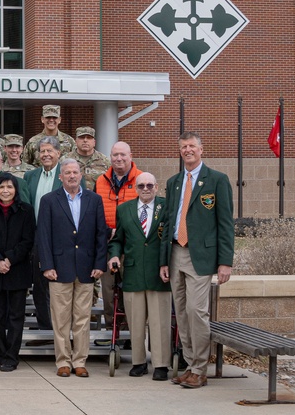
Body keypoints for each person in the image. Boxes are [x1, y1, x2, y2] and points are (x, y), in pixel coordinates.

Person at [160, 132, 235, 389]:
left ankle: (200, 369)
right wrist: (163, 261)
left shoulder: (217, 180)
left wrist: (226, 262)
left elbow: (225, 224)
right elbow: (169, 221)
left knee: (196, 311)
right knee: (180, 313)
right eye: (183, 147)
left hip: (200, 256)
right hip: (175, 253)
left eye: (192, 146)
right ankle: (190, 365)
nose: (188, 150)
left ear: (201, 150)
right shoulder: (174, 182)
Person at [37, 159, 108, 377]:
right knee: (60, 319)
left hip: (87, 268)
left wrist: (99, 263)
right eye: (67, 172)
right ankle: (63, 362)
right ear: (61, 177)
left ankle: (79, 360)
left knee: (82, 318)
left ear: (81, 175)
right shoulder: (49, 200)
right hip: (59, 268)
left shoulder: (94, 200)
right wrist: (47, 265)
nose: (71, 176)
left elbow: (100, 234)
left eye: (75, 172)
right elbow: (43, 235)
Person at [107, 172, 172, 380]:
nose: (146, 189)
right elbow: (117, 240)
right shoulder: (124, 209)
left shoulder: (166, 207)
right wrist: (114, 256)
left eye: (150, 185)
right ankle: (138, 361)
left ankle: (161, 364)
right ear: (135, 188)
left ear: (157, 186)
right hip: (133, 272)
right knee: (135, 320)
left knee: (159, 320)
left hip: (159, 272)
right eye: (142, 185)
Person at [0, 171, 35, 372]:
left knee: (15, 317)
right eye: (2, 187)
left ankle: (12, 356)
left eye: (9, 187)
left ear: (16, 190)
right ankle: (0, 353)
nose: (5, 191)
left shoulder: (26, 211)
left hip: (17, 271)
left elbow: (28, 240)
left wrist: (9, 259)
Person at [94, 141, 142, 330]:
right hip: (107, 242)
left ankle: (132, 331)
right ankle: (111, 329)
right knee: (107, 289)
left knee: (130, 290)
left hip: (132, 245)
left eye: (123, 155)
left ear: (131, 156)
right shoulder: (100, 181)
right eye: (115, 155)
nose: (119, 159)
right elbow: (95, 213)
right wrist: (108, 231)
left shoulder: (141, 180)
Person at [19, 137, 64, 331]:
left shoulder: (66, 174)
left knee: (58, 287)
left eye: (50, 151)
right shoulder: (30, 176)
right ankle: (46, 329)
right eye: (42, 151)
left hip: (59, 240)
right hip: (35, 238)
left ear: (58, 153)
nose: (45, 155)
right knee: (39, 286)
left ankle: (61, 331)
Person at [70, 126, 109, 191]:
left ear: (94, 142)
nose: (85, 140)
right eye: (82, 138)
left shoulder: (105, 161)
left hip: (97, 199)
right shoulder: (66, 160)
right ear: (76, 141)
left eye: (89, 138)